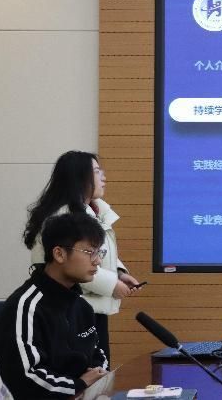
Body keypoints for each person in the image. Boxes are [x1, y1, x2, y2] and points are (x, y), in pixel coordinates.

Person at [23, 150, 143, 361]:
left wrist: (119, 273)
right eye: (96, 171)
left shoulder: (95, 211)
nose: (103, 176)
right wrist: (111, 284)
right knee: (81, 369)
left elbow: (99, 252)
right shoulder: (64, 217)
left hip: (90, 308)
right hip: (70, 309)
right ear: (79, 177)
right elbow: (74, 263)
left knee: (98, 369)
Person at [0, 212, 109, 398]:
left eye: (99, 252)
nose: (98, 261)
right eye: (90, 252)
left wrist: (98, 375)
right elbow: (24, 377)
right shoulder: (25, 307)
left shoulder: (82, 307)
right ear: (59, 254)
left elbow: (97, 354)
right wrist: (79, 384)